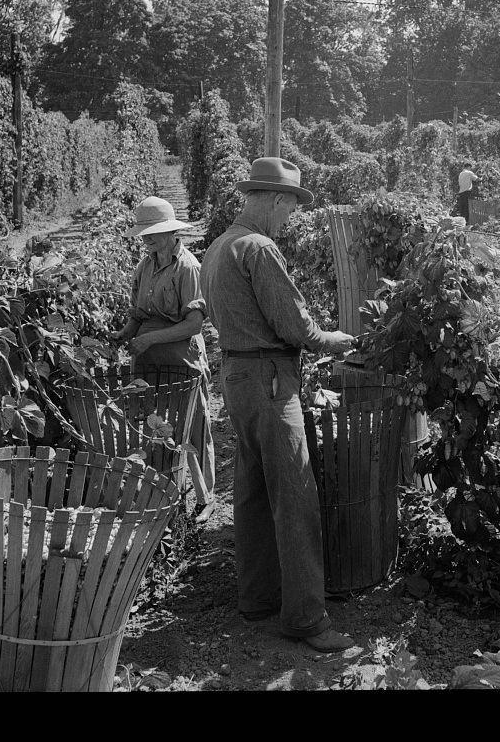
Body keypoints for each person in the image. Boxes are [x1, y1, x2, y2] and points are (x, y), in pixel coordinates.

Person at [199, 157, 356, 653]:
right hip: (270, 382)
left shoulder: (217, 247)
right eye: (289, 208)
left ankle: (258, 598)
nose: (289, 219)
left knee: (249, 490)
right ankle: (307, 618)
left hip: (236, 378)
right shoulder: (259, 248)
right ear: (272, 200)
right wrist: (337, 340)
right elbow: (296, 327)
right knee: (295, 496)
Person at [117, 196, 216, 523]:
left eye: (154, 232)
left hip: (180, 357)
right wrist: (124, 333)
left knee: (191, 423)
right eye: (144, 232)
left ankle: (204, 498)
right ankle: (162, 492)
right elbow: (138, 314)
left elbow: (193, 324)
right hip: (147, 360)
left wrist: (149, 338)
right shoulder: (144, 266)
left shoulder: (187, 266)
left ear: (172, 233)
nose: (147, 238)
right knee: (152, 422)